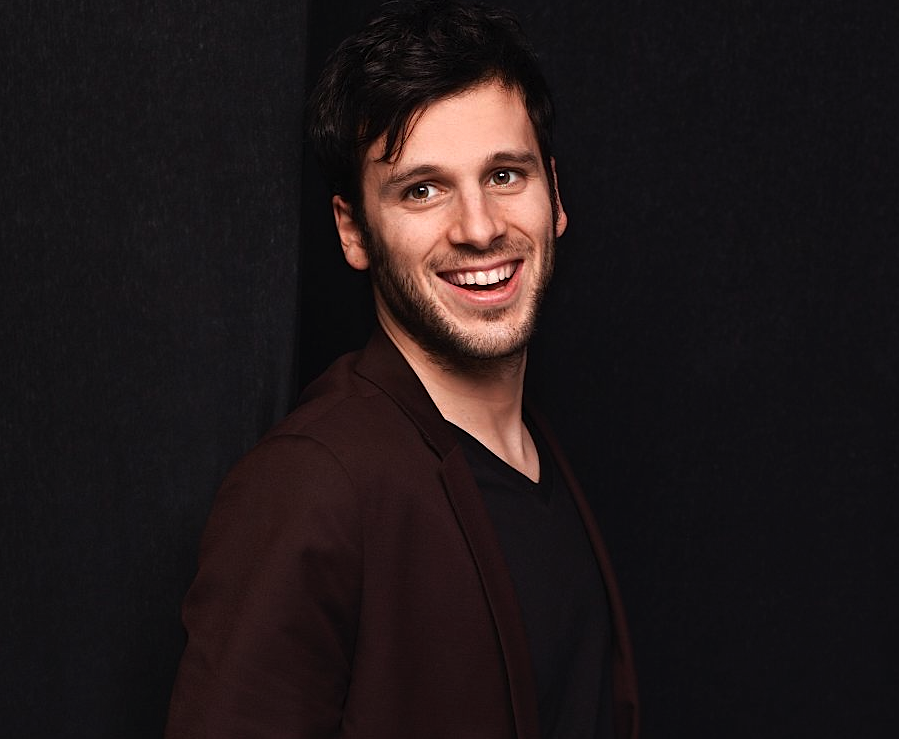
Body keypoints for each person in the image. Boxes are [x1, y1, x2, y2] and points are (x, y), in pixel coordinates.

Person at [165, 1, 639, 737]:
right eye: (422, 189)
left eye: (504, 174)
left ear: (554, 194)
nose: (479, 227)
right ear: (353, 231)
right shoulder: (311, 484)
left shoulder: (536, 456)